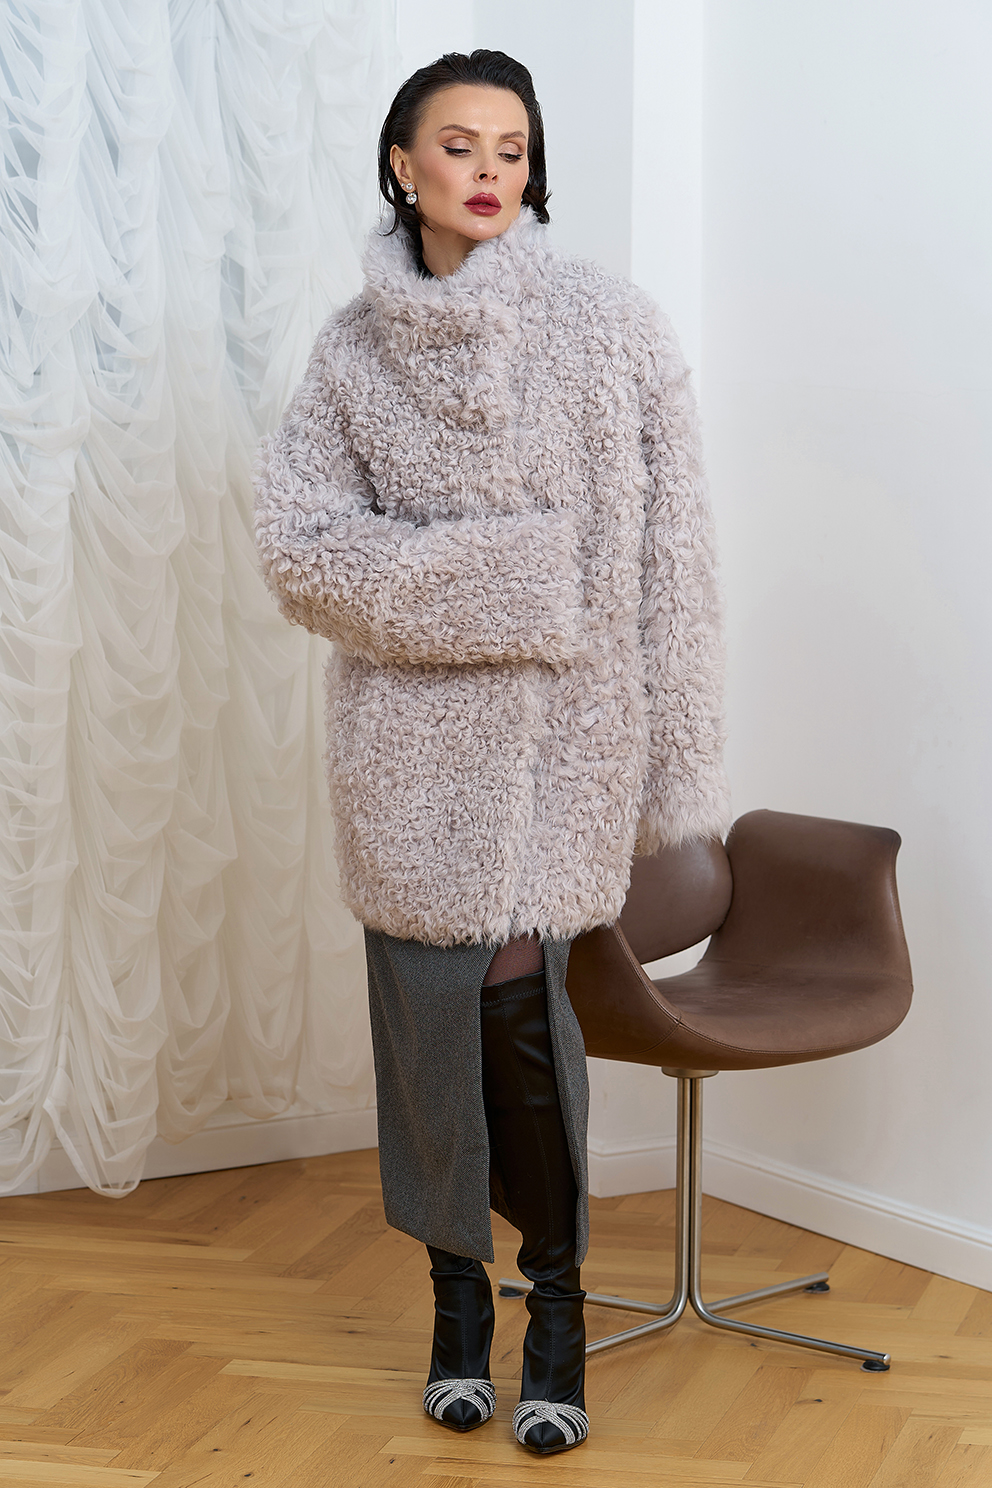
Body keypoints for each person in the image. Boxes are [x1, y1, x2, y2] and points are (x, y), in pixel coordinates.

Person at [253, 49, 730, 1458]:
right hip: (407, 755)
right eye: (458, 145)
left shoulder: (613, 330)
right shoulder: (352, 352)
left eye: (511, 150)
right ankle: (457, 1304)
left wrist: (677, 754)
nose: (488, 172)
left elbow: (678, 563)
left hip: (567, 747)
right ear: (404, 165)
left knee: (523, 1021)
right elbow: (300, 550)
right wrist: (511, 580)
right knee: (425, 1034)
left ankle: (557, 1315)